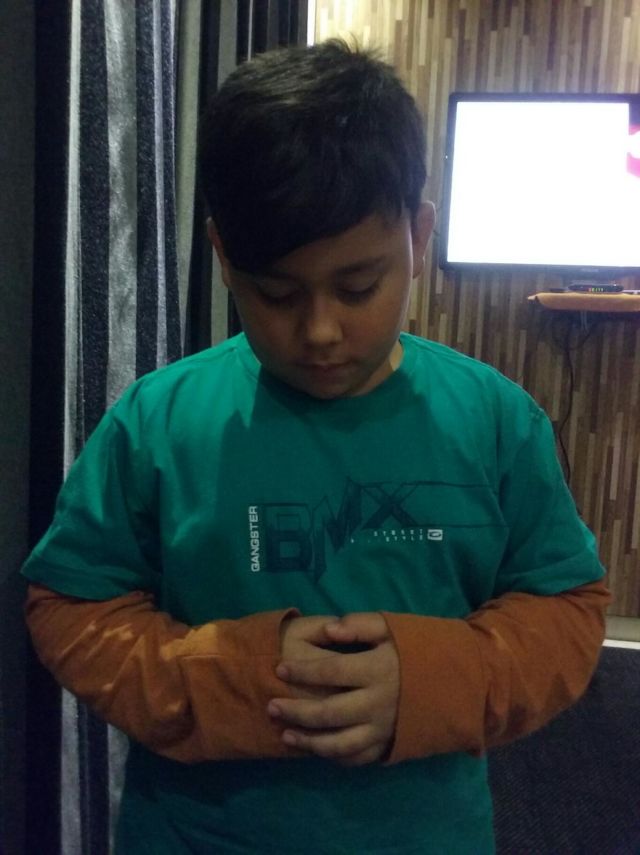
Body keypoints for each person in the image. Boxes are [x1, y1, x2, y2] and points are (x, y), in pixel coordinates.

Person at [22, 39, 610, 854]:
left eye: (359, 286)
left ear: (419, 236)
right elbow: (70, 606)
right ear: (224, 256)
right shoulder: (158, 420)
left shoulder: (496, 421)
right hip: (193, 834)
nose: (321, 330)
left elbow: (567, 610)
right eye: (277, 294)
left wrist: (429, 680)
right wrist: (237, 680)